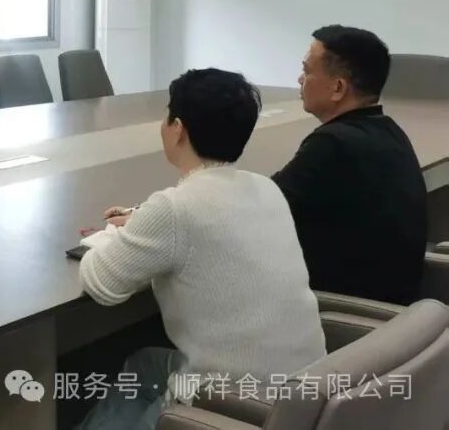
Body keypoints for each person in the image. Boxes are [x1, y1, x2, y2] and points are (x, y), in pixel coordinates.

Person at [77, 69, 325, 430]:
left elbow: (102, 284)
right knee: (143, 364)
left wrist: (108, 238)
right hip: (305, 394)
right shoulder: (266, 188)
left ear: (177, 128)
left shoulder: (175, 209)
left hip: (236, 406)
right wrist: (145, 222)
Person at [272, 25, 426, 305]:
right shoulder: (388, 131)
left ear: (338, 88)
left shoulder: (332, 144)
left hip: (342, 309)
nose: (300, 79)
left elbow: (262, 208)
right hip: (395, 309)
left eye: (307, 70)